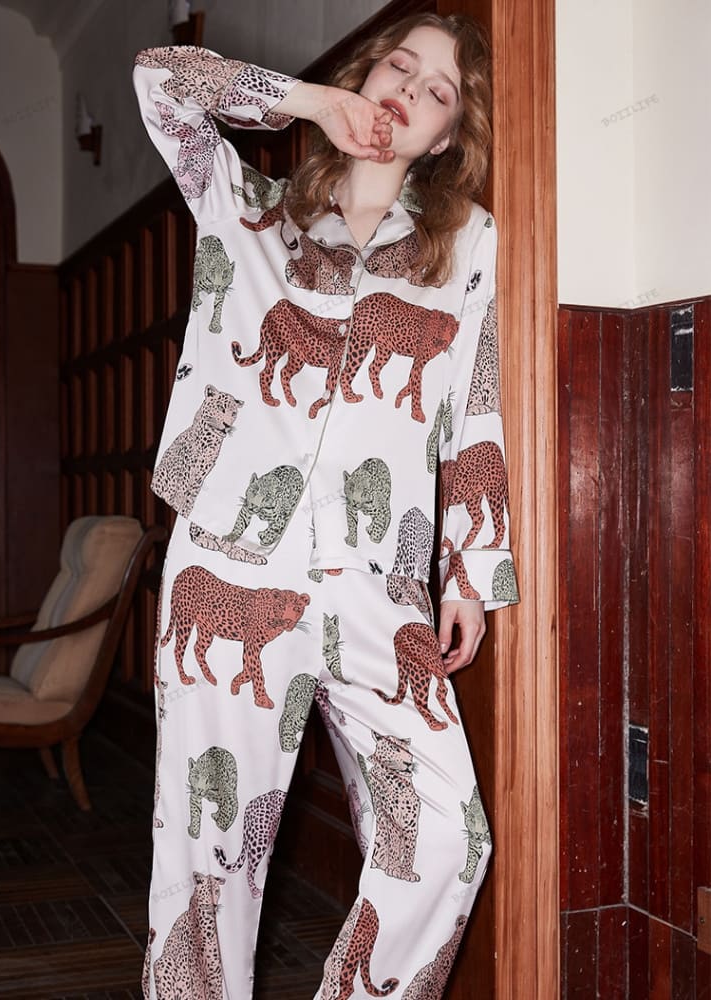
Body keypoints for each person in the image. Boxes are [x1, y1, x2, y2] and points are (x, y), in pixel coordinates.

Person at [133, 12, 518, 998]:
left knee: (449, 836)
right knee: (209, 858)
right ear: (365, 73)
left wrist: (469, 574)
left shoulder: (467, 246)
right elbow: (159, 80)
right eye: (401, 65)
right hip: (230, 556)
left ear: (447, 137)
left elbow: (472, 408)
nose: (411, 90)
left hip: (379, 584)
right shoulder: (243, 207)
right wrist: (310, 103)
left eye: (439, 91)